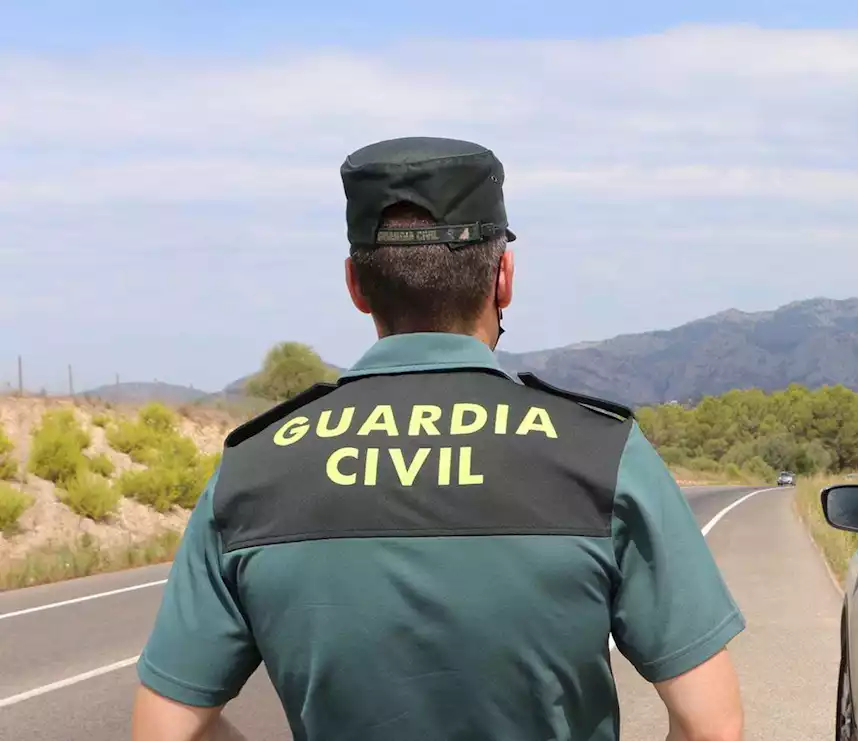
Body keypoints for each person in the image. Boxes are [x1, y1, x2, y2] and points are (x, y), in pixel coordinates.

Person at [130, 136, 747, 741]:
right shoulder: (601, 452)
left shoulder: (254, 468)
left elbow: (166, 729)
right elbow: (710, 724)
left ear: (356, 284)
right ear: (503, 277)